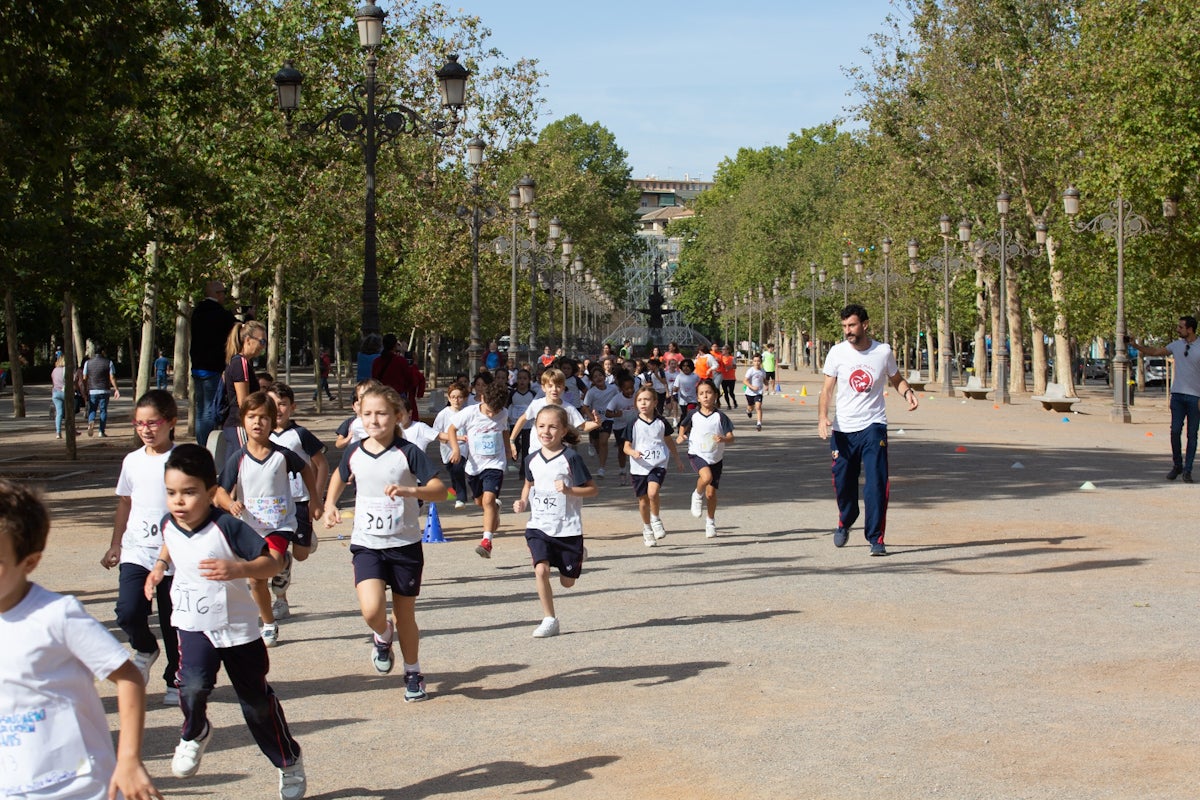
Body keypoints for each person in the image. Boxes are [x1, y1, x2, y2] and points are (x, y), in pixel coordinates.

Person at [145, 445, 306, 797]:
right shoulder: (168, 522)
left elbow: (272, 564)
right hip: (193, 623)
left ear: (210, 491)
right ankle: (195, 732)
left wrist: (240, 569)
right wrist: (158, 567)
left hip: (236, 628)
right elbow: (169, 543)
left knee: (256, 704)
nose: (179, 501)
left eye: (189, 493)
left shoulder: (229, 527)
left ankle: (288, 761)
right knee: (190, 685)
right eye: (171, 493)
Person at [1, 479, 162, 800]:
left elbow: (128, 676)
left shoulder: (57, 615)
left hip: (79, 787)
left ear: (29, 562)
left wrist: (128, 759)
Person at [321, 386, 445, 701]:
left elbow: (440, 490)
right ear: (359, 417)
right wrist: (330, 504)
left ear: (397, 416)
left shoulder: (409, 451)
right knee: (372, 609)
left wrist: (412, 492)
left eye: (381, 413)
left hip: (405, 545)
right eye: (367, 414)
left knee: (405, 616)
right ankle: (382, 634)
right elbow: (339, 474)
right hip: (367, 544)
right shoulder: (354, 451)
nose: (374, 420)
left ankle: (413, 672)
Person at [215, 392, 319, 646]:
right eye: (251, 417)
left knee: (269, 565)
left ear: (272, 423)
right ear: (243, 421)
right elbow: (217, 491)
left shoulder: (282, 455)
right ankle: (269, 623)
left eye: (264, 418)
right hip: (250, 527)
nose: (257, 422)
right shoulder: (237, 458)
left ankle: (282, 561)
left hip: (280, 525)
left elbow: (306, 469)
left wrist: (315, 498)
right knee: (255, 579)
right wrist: (231, 503)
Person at [818, 304, 919, 556]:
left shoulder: (882, 352)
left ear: (865, 324)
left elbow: (895, 378)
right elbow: (827, 389)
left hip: (873, 425)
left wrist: (907, 392)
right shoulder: (837, 352)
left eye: (851, 325)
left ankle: (876, 537)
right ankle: (846, 518)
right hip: (843, 429)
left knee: (876, 482)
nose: (847, 331)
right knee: (843, 483)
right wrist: (822, 417)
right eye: (844, 327)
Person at [102, 390, 180, 706]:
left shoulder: (183, 458)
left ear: (171, 422)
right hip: (137, 551)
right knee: (128, 610)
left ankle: (176, 677)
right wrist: (115, 544)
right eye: (139, 424)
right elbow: (125, 502)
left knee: (173, 621)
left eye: (153, 423)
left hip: (174, 553)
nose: (146, 430)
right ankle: (145, 647)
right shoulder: (132, 461)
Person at [512, 405, 598, 638]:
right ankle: (550, 619)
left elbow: (592, 490)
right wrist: (522, 502)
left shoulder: (571, 458)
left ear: (563, 431)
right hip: (538, 526)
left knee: (567, 583)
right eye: (541, 426)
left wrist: (570, 490)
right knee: (541, 569)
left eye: (552, 426)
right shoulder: (531, 459)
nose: (546, 431)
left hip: (567, 528)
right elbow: (529, 483)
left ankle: (578, 554)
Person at [267, 383, 328, 620]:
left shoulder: (300, 434)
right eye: (273, 404)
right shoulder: (261, 434)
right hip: (274, 506)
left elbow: (321, 464)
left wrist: (317, 498)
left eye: (282, 404)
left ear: (292, 407)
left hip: (301, 500)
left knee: (301, 554)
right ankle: (281, 600)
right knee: (275, 554)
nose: (278, 409)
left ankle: (298, 546)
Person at [1131, 315, 1200, 482]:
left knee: (1192, 434)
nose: (1178, 329)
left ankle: (1188, 470)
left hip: (1195, 397)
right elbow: (1155, 351)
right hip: (1177, 396)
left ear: (1190, 329)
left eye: (1181, 327)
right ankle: (1177, 465)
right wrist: (1136, 346)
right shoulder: (1176, 345)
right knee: (1175, 431)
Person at [448, 380, 511, 558]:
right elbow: (451, 429)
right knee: (480, 502)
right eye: (490, 409)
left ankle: (486, 541)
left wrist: (508, 447)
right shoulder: (470, 413)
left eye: (496, 411)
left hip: (495, 464)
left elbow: (504, 429)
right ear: (482, 398)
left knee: (488, 500)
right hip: (474, 466)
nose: (492, 414)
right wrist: (455, 449)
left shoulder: (503, 413)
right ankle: (494, 513)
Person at [624, 385, 685, 547]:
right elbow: (626, 446)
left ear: (655, 402)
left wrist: (677, 458)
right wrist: (633, 452)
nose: (643, 403)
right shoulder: (633, 423)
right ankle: (647, 528)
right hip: (639, 467)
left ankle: (656, 519)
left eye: (647, 399)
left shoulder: (661, 422)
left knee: (653, 493)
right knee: (643, 501)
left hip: (658, 464)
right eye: (639, 400)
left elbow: (668, 441)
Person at [677, 379, 735, 539]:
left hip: (715, 457)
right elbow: (683, 425)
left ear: (715, 395)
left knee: (711, 494)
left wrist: (723, 439)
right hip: (696, 453)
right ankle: (696, 494)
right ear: (697, 397)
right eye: (701, 394)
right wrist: (681, 435)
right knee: (706, 477)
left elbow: (731, 437)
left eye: (709, 393)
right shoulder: (693, 414)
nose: (705, 396)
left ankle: (710, 522)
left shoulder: (720, 417)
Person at [191, 280, 238, 446]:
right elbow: (237, 329)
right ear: (217, 294)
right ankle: (207, 445)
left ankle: (201, 443)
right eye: (223, 292)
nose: (224, 296)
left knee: (201, 409)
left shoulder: (197, 311)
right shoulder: (219, 313)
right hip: (213, 368)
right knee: (210, 410)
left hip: (197, 367)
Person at [221, 320, 266, 454]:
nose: (263, 347)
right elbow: (243, 403)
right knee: (242, 464)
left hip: (236, 425)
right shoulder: (241, 363)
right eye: (261, 341)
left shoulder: (238, 362)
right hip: (238, 425)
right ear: (248, 340)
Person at [433, 381, 470, 509]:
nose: (456, 400)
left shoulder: (467, 412)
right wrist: (452, 438)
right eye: (453, 397)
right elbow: (437, 433)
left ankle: (461, 498)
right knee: (453, 472)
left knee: (458, 468)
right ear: (448, 398)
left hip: (463, 448)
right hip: (447, 450)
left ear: (465, 399)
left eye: (459, 397)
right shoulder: (443, 414)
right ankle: (454, 490)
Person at [583, 366, 619, 478]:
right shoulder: (591, 392)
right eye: (595, 377)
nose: (598, 378)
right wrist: (593, 419)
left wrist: (617, 412)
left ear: (604, 376)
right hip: (594, 420)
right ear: (592, 380)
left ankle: (602, 467)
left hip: (608, 419)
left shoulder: (613, 389)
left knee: (603, 441)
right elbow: (585, 407)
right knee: (597, 443)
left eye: (600, 375)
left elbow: (618, 400)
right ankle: (600, 456)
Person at [84, 345, 120, 438]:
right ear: (103, 351)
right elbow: (112, 377)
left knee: (92, 409)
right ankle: (101, 431)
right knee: (103, 411)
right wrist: (116, 389)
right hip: (104, 390)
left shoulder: (88, 363)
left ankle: (91, 421)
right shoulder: (109, 362)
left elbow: (84, 377)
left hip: (92, 390)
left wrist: (86, 388)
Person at [335, 378, 381, 449]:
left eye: (370, 394)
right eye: (362, 396)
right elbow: (338, 444)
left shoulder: (388, 419)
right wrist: (348, 438)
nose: (366, 399)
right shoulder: (355, 423)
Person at [371, 334, 414, 408]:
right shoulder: (401, 361)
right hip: (398, 394)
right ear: (395, 345)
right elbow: (409, 378)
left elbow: (374, 379)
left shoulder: (377, 361)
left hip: (382, 395)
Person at [743, 353, 767, 431]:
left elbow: (764, 380)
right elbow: (745, 381)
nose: (757, 363)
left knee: (758, 407)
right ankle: (748, 411)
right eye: (755, 361)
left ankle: (759, 424)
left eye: (758, 361)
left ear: (761, 362)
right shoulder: (750, 371)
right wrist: (752, 387)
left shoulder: (763, 371)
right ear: (752, 362)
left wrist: (766, 385)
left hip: (758, 393)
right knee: (751, 407)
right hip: (749, 392)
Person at [51, 355, 67, 438]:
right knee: (69, 413)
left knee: (59, 413)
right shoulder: (67, 370)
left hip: (56, 393)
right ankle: (71, 430)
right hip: (65, 392)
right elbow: (74, 380)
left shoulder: (54, 370)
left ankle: (58, 432)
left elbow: (53, 381)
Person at [718, 344, 739, 409]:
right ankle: (728, 405)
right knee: (725, 392)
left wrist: (729, 367)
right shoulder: (721, 358)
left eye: (724, 349)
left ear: (728, 350)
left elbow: (735, 366)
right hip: (724, 377)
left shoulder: (732, 358)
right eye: (722, 349)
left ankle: (734, 401)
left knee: (731, 392)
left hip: (731, 378)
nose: (722, 351)